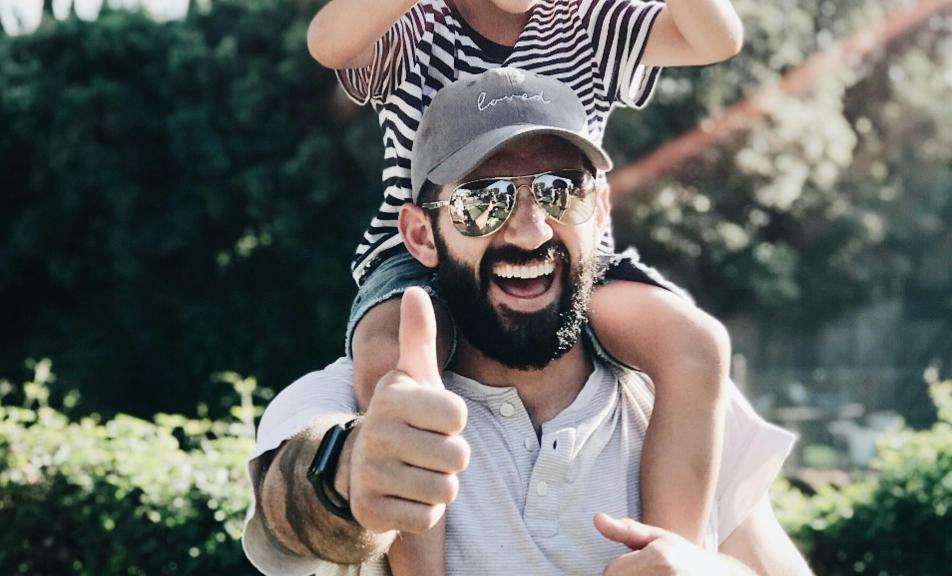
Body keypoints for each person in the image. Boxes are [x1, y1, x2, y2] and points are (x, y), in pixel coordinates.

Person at [243, 69, 812, 576]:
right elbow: (286, 513)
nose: (529, 231)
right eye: (481, 200)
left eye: (561, 191)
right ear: (420, 235)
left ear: (603, 211)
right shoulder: (358, 399)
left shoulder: (672, 400)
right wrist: (346, 475)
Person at [306, 0, 745, 570]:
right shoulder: (414, 28)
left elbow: (716, 39)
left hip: (576, 256)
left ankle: (663, 553)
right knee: (395, 357)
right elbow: (329, 44)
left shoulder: (591, 25)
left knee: (696, 343)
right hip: (422, 256)